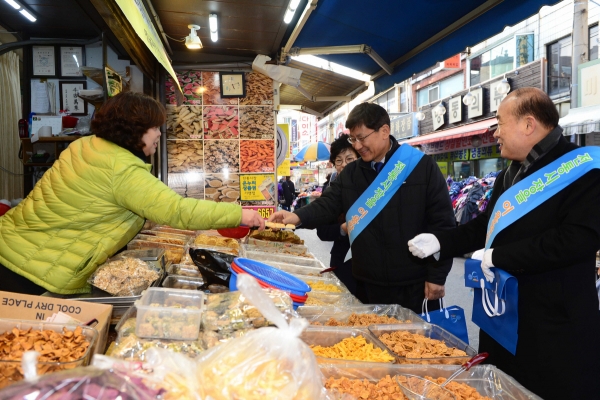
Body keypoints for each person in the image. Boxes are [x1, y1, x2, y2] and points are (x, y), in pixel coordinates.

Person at [408, 87, 600, 400]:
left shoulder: (584, 171)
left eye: (499, 123)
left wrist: (500, 255)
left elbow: (575, 239)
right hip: (501, 318)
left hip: (553, 326)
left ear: (528, 125)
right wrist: (440, 241)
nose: (495, 132)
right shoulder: (509, 173)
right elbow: (485, 227)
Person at [0, 92, 264, 296]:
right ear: (135, 129)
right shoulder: (122, 168)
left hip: (11, 244)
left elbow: (96, 203)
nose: (159, 135)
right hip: (36, 268)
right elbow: (178, 211)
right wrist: (241, 213)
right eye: (155, 128)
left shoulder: (85, 146)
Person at [269, 103, 455, 313]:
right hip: (367, 284)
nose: (357, 146)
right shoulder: (351, 174)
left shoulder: (421, 167)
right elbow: (328, 203)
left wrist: (437, 277)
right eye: (353, 139)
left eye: (361, 138)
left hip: (413, 283)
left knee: (412, 344)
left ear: (384, 131)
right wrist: (296, 217)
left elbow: (443, 224)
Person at [315, 134, 366, 301]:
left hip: (368, 265)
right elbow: (322, 231)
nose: (344, 165)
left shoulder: (373, 188)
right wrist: (342, 229)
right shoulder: (330, 190)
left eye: (349, 159)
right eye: (339, 160)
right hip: (341, 260)